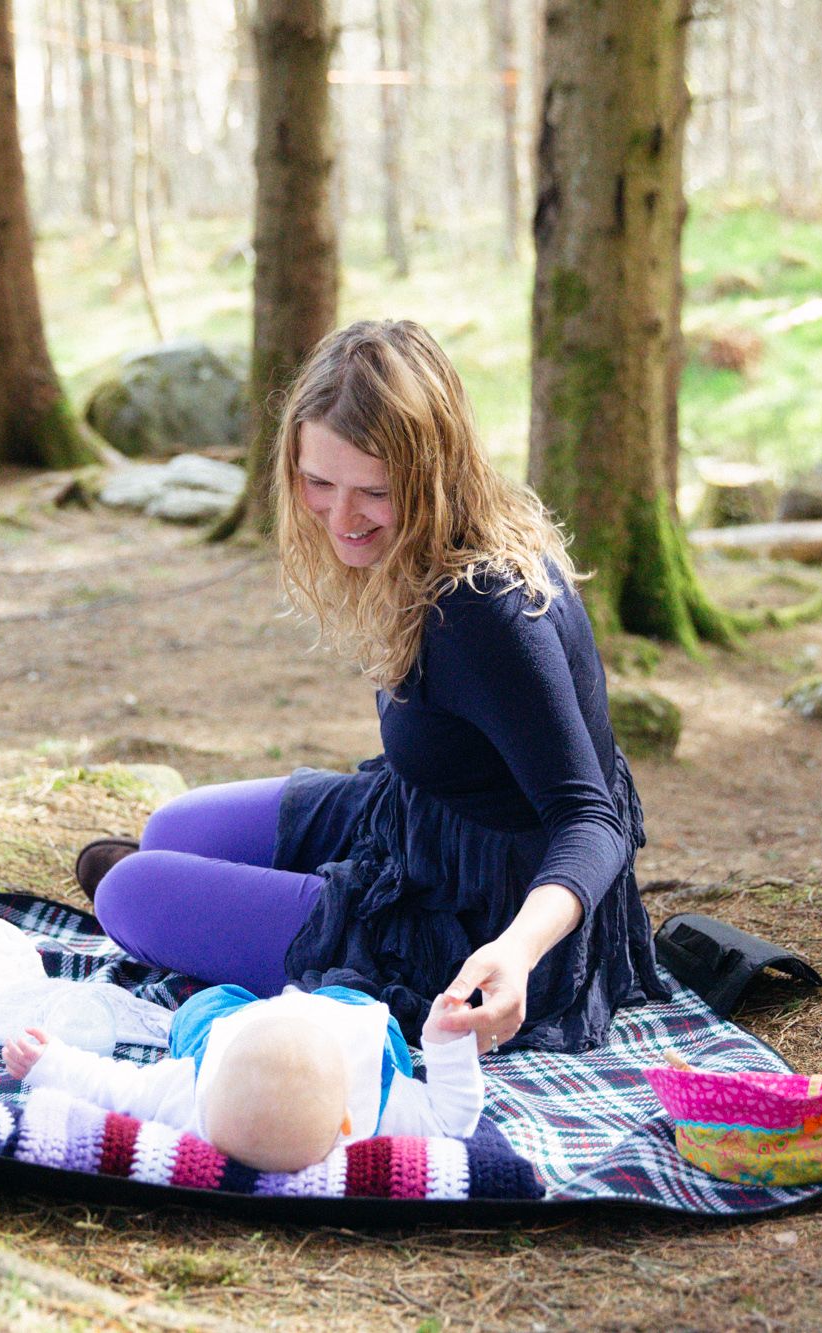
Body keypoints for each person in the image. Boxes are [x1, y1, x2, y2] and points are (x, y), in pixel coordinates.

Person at [83, 319, 666, 1054]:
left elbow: (591, 818)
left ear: (433, 476)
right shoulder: (425, 544)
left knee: (129, 894)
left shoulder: (485, 609)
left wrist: (515, 952)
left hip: (484, 910)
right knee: (171, 828)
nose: (341, 517)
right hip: (418, 818)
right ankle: (201, 896)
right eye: (318, 481)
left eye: (375, 491)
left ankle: (203, 908)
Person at [2, 984, 484, 1173]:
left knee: (198, 1010)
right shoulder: (194, 1086)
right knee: (211, 1011)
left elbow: (114, 1087)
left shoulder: (380, 1104)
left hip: (348, 1033)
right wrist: (447, 1041)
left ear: (345, 1125)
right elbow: (453, 1117)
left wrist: (51, 1064)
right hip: (261, 1031)